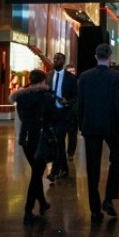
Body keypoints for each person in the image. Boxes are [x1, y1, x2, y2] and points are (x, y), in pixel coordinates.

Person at [76, 44, 119, 223]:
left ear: (95, 56)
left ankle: (94, 209)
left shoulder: (84, 76)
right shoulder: (114, 76)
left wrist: (81, 124)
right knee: (117, 160)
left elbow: (80, 103)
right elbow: (118, 105)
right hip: (111, 126)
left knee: (92, 167)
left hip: (90, 126)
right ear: (110, 57)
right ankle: (108, 198)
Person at [11, 69, 54, 224]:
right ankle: (28, 211)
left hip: (26, 138)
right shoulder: (46, 97)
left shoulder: (21, 97)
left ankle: (42, 203)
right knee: (36, 175)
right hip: (41, 139)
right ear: (43, 81)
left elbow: (22, 117)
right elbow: (52, 116)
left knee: (37, 170)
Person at [46, 53, 77, 182]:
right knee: (57, 143)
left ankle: (54, 171)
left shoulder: (71, 78)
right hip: (51, 114)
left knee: (58, 140)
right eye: (54, 58)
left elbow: (76, 96)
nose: (55, 60)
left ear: (63, 61)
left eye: (58, 59)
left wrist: (67, 102)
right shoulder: (48, 76)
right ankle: (64, 169)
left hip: (64, 114)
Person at [64, 64, 79, 159]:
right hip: (63, 114)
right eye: (69, 71)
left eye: (73, 71)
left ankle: (70, 153)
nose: (72, 73)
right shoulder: (61, 83)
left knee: (73, 136)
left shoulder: (79, 83)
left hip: (74, 114)